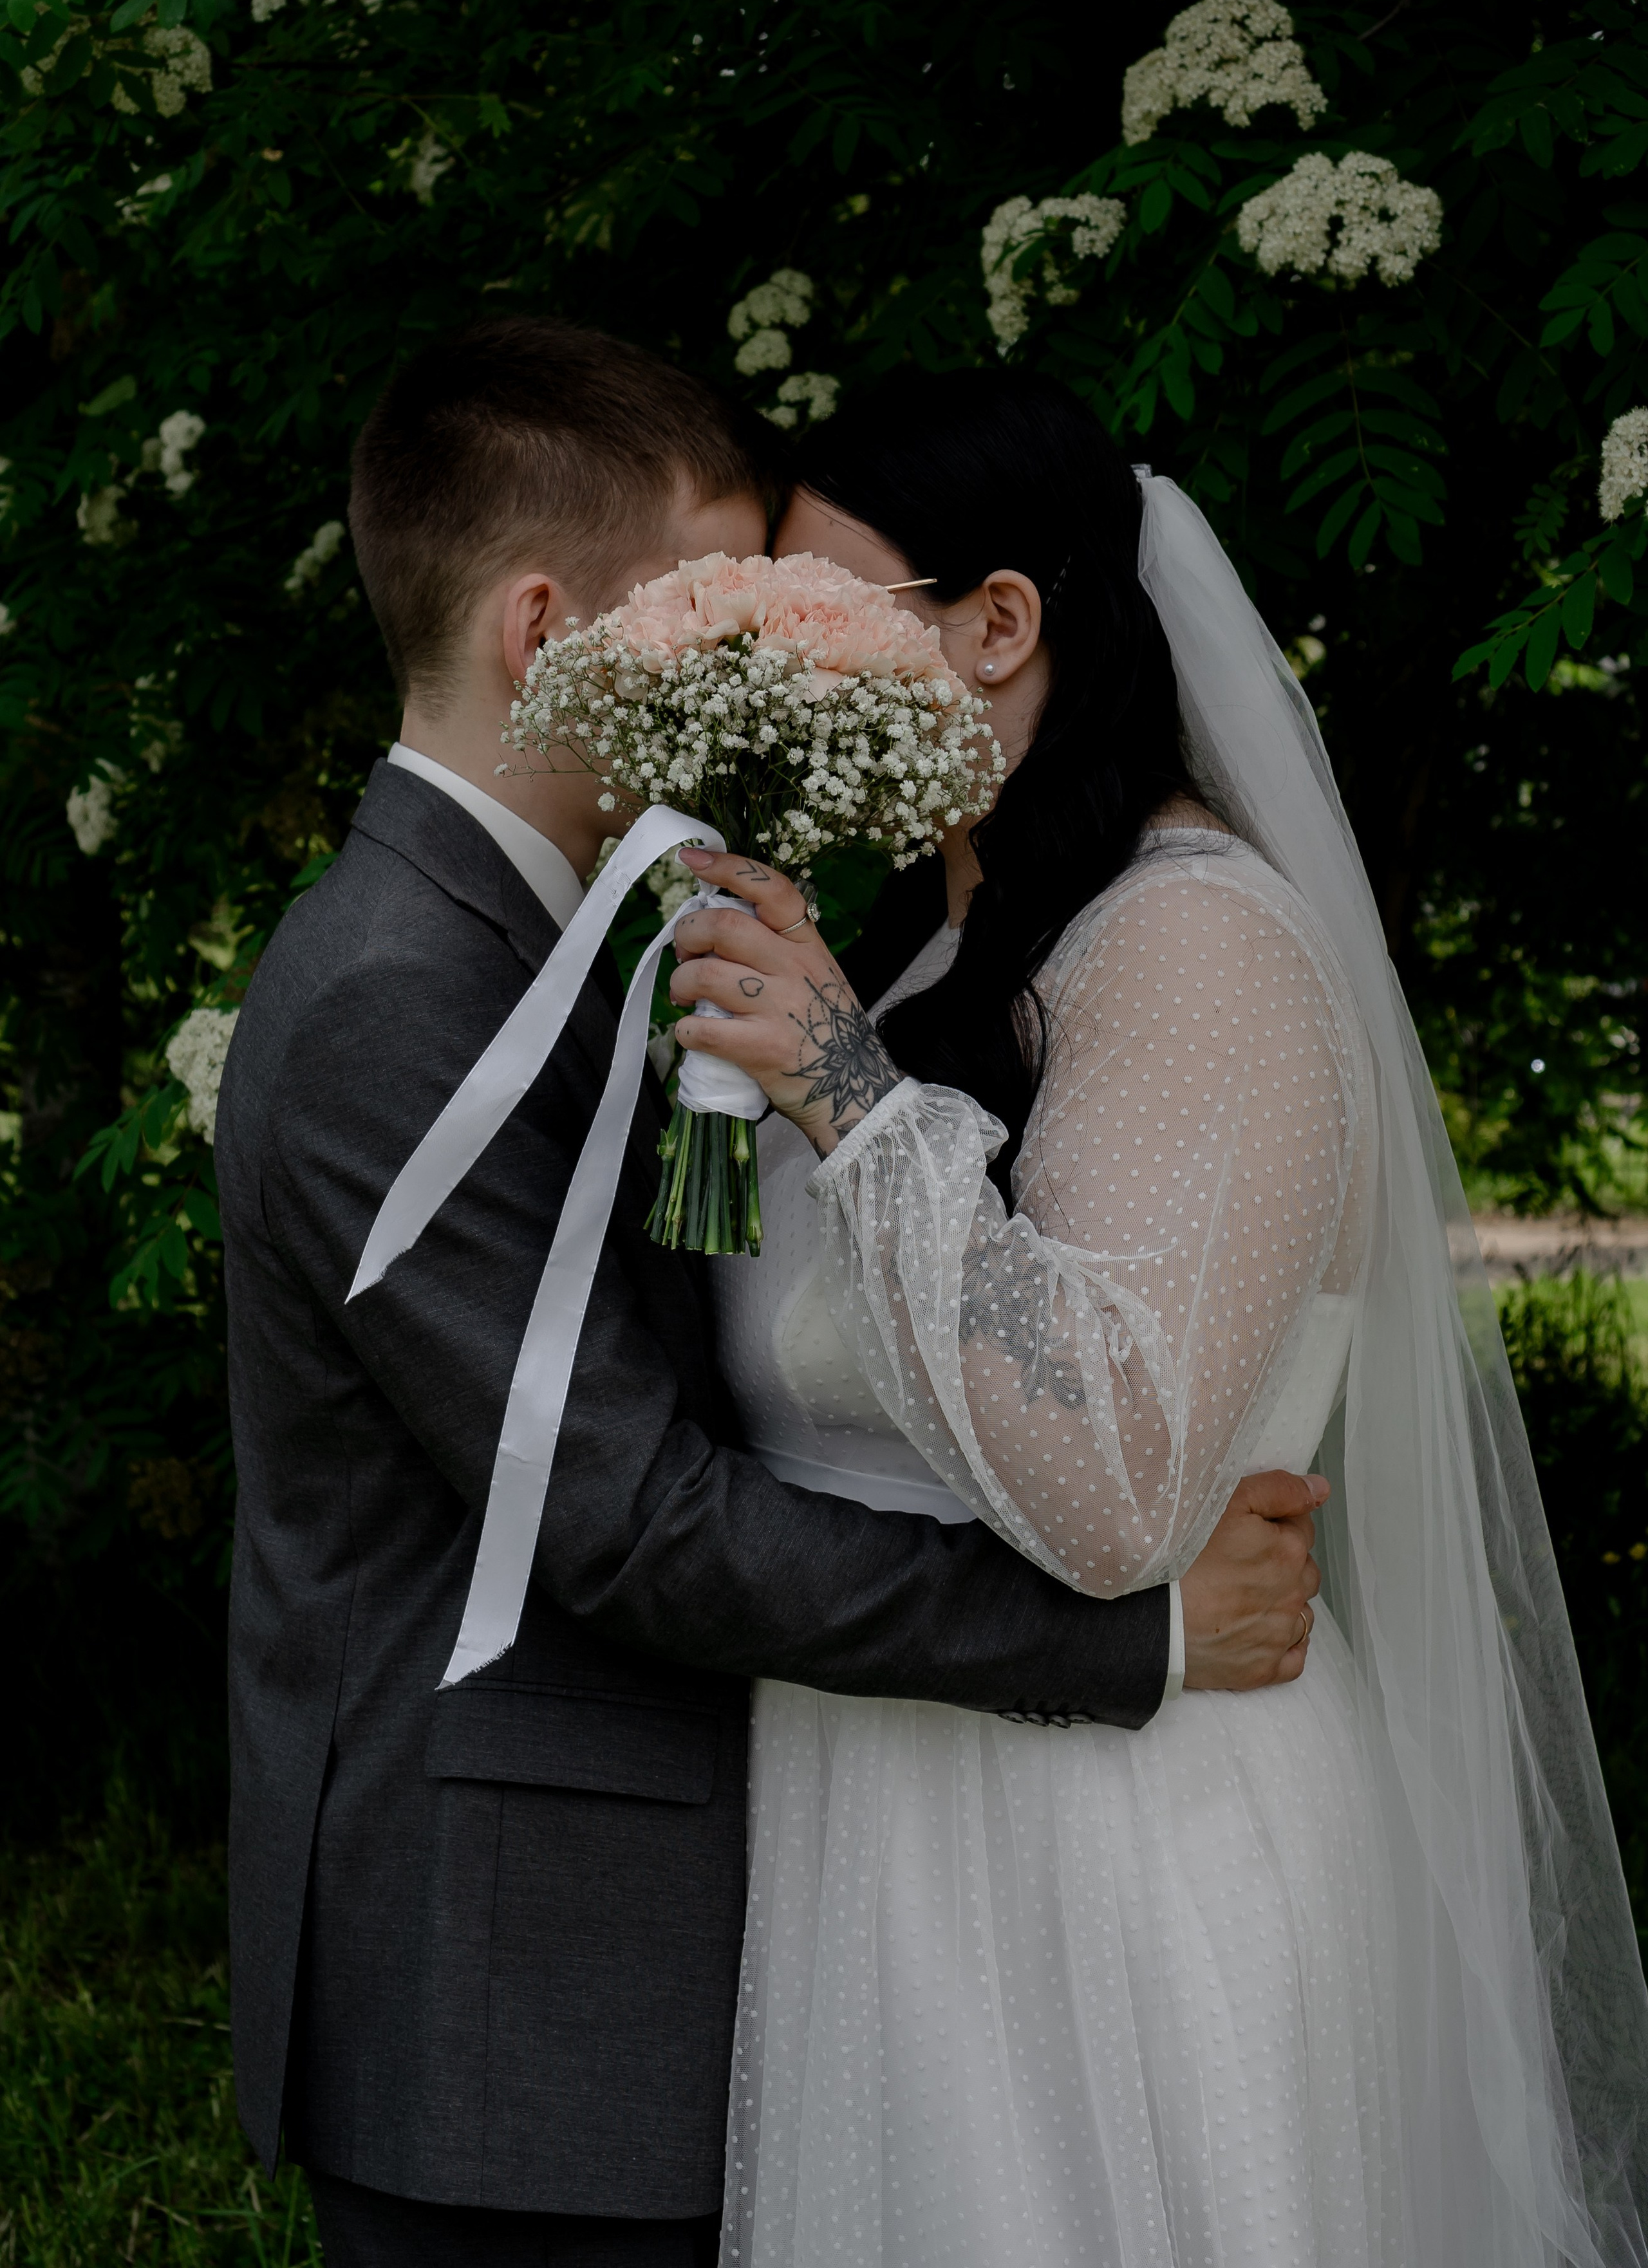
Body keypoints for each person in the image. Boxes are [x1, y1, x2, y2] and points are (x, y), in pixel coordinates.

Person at [214, 321, 1324, 2268]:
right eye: (722, 608)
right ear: (549, 628)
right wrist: (1128, 1646)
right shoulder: (407, 989)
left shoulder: (606, 942)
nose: (769, 664)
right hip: (514, 1976)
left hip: (758, 1916)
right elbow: (632, 1516)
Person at [671, 369, 1648, 2268]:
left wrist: (853, 1098)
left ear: (1002, 621)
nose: (777, 675)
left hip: (1111, 1856)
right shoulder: (927, 953)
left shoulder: (1195, 946)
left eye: (816, 616)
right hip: (891, 1834)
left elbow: (1115, 1486)